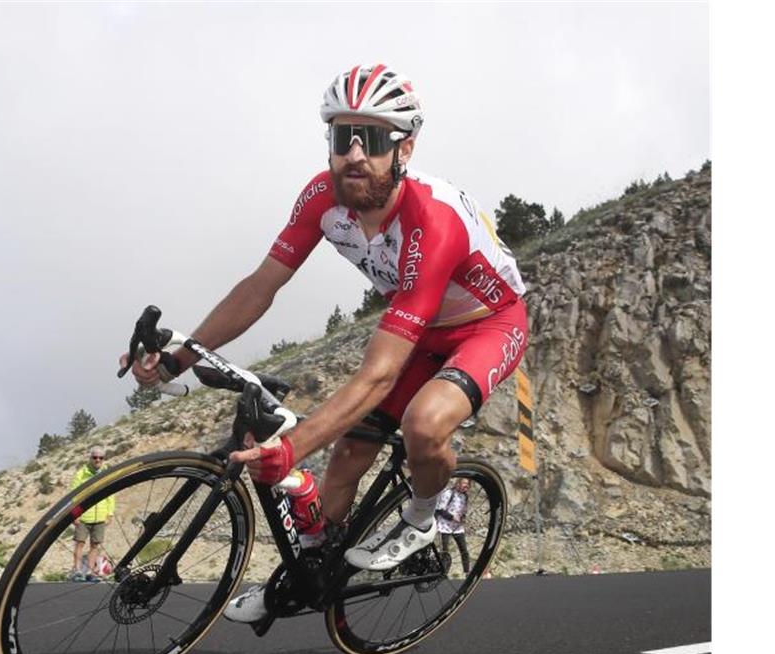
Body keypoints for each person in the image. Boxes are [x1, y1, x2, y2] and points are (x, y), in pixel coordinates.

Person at [124, 64, 527, 623]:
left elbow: (379, 374)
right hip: (422, 326)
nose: (356, 154)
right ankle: (307, 573)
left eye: (376, 139)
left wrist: (289, 449)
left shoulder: (433, 221)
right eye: (343, 137)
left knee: (424, 423)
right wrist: (176, 359)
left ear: (403, 149)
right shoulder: (322, 198)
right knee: (348, 456)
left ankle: (425, 514)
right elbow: (261, 286)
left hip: (489, 325)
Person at [70, 447, 116, 582]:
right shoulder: (81, 474)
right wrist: (75, 514)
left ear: (104, 459)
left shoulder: (107, 473)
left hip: (100, 516)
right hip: (83, 516)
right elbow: (74, 496)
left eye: (101, 458)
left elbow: (111, 495)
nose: (97, 460)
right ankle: (77, 570)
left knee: (95, 545)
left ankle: (90, 571)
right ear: (90, 458)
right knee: (80, 543)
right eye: (95, 457)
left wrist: (110, 513)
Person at [436, 478, 471, 574]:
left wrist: (463, 517)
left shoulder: (465, 497)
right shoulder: (448, 493)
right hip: (445, 526)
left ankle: (467, 572)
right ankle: (443, 572)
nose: (466, 486)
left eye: (468, 484)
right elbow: (439, 510)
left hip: (457, 528)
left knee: (464, 550)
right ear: (458, 483)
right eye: (464, 483)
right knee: (445, 552)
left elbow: (463, 511)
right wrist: (452, 517)